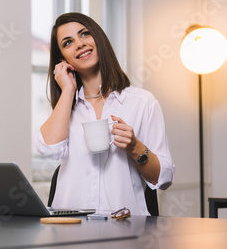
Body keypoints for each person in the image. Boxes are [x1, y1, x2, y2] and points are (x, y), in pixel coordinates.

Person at [35, 12, 174, 215]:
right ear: (62, 59)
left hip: (126, 229)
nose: (79, 44)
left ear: (98, 39)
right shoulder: (64, 107)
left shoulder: (142, 102)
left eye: (84, 34)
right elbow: (48, 149)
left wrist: (135, 147)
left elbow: (164, 178)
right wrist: (67, 90)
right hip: (70, 231)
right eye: (67, 43)